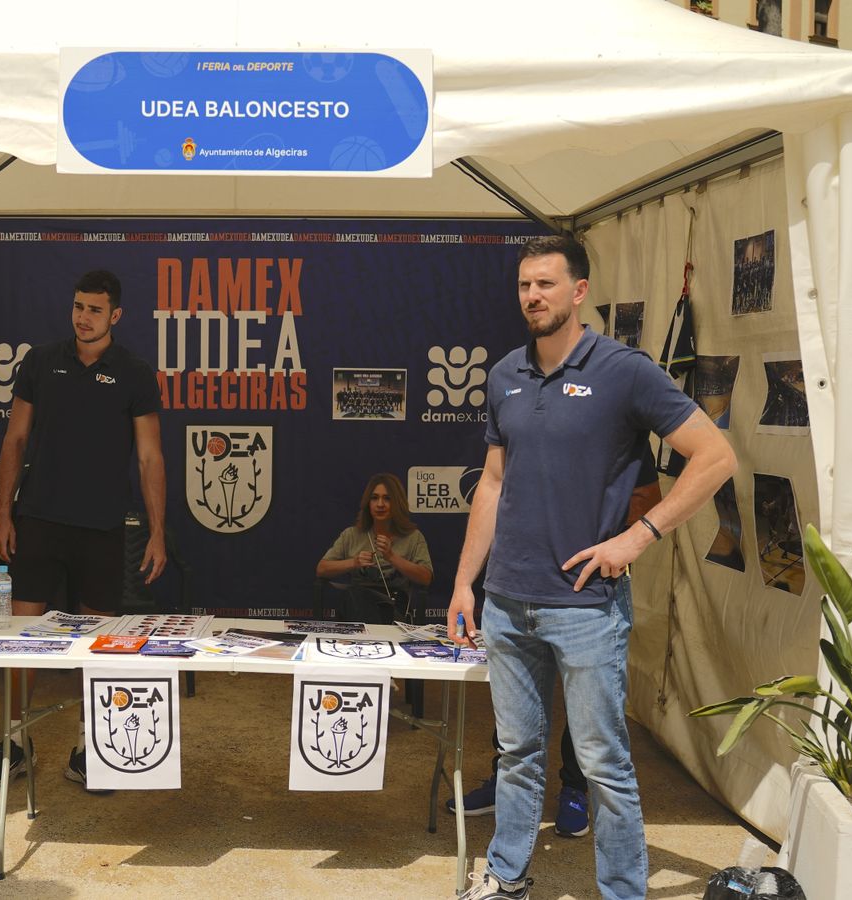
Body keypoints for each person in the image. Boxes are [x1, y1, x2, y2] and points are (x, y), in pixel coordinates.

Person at [450, 235, 736, 900]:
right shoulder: (505, 375)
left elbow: (714, 455)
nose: (533, 297)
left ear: (579, 291)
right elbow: (492, 483)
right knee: (516, 759)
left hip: (585, 607)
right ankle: (508, 877)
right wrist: (466, 581)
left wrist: (639, 536)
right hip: (507, 600)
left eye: (546, 284)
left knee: (605, 766)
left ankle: (622, 892)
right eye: (525, 285)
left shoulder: (625, 371)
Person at [0, 269, 167, 791]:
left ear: (116, 316)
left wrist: (157, 532)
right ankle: (15, 742)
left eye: (95, 310)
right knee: (20, 639)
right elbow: (14, 439)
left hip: (102, 528)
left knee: (99, 644)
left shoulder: (134, 373)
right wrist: (2, 514)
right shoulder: (40, 362)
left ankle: (91, 745)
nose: (83, 317)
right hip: (38, 521)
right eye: (78, 307)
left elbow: (150, 457)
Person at [447, 455, 665, 837]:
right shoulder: (517, 405)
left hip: (586, 598)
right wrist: (466, 581)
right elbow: (493, 485)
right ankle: (504, 786)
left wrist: (628, 540)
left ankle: (575, 789)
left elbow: (649, 494)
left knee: (590, 725)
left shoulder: (615, 405)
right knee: (517, 720)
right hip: (518, 589)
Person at [315, 472, 432, 622]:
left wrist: (392, 557)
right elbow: (322, 569)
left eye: (387, 499)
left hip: (394, 611)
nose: (380, 504)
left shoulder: (413, 537)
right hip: (356, 610)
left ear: (397, 503)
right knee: (354, 595)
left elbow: (426, 577)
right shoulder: (352, 535)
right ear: (368, 503)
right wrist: (354, 562)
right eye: (375, 498)